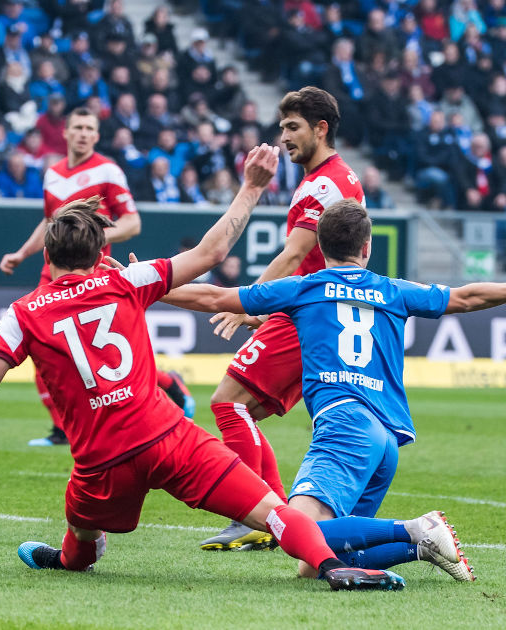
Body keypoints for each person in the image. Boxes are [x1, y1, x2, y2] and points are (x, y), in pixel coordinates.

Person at [0, 155, 408, 592]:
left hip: (102, 463)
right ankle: (337, 568)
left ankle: (70, 555)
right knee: (273, 512)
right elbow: (213, 250)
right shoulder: (127, 280)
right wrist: (250, 188)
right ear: (102, 251)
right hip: (172, 438)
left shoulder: (23, 314)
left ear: (50, 256)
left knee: (80, 542)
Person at [149, 200, 506, 579]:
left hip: (344, 425)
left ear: (320, 245)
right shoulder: (393, 290)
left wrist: (148, 284)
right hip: (385, 439)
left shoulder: (304, 287)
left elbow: (213, 297)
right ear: (367, 247)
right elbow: (467, 297)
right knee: (311, 563)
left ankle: (414, 528)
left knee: (292, 528)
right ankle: (418, 546)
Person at [194, 87, 365, 551]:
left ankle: (259, 513)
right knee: (244, 410)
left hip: (306, 313)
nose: (283, 137)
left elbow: (294, 257)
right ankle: (276, 517)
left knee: (228, 402)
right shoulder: (333, 177)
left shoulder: (323, 184)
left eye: (292, 127)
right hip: (312, 313)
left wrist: (247, 302)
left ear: (320, 128)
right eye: (282, 127)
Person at [0, 107, 191, 447]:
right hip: (52, 272)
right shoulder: (53, 173)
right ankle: (61, 430)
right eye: (78, 127)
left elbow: (132, 222)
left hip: (92, 271)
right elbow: (49, 222)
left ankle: (167, 383)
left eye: (90, 128)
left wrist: (90, 239)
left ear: (97, 136)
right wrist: (22, 252)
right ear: (67, 133)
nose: (84, 133)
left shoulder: (107, 170)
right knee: (47, 351)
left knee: (97, 353)